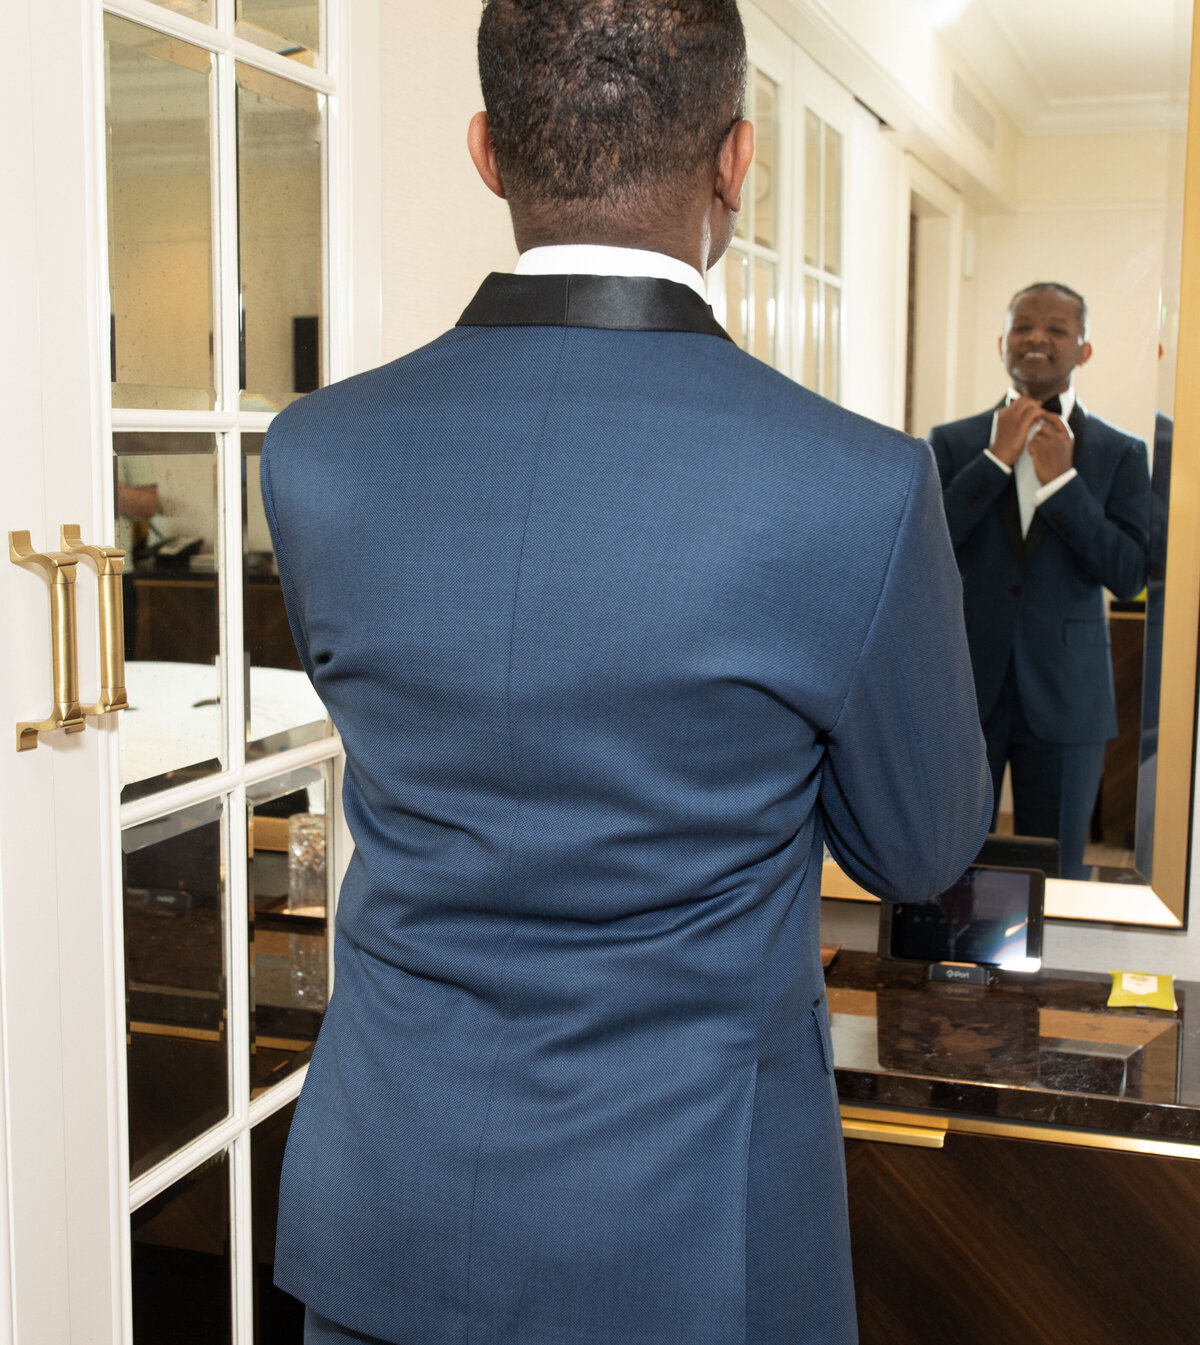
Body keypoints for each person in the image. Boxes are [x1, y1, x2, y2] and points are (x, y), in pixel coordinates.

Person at [262, 3, 990, 1342]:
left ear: (488, 153)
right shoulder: (859, 488)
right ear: (736, 160)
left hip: (390, 1219)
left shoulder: (316, 457)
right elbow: (922, 843)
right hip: (695, 1247)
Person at [930, 283, 1151, 879]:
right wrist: (995, 462)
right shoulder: (951, 443)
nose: (1037, 338)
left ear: (1083, 351)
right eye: (1024, 326)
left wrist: (1062, 487)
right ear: (1002, 343)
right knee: (946, 858)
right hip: (966, 685)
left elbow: (1129, 575)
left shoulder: (1120, 453)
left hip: (1069, 693)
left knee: (1056, 868)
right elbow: (927, 550)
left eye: (1056, 329)